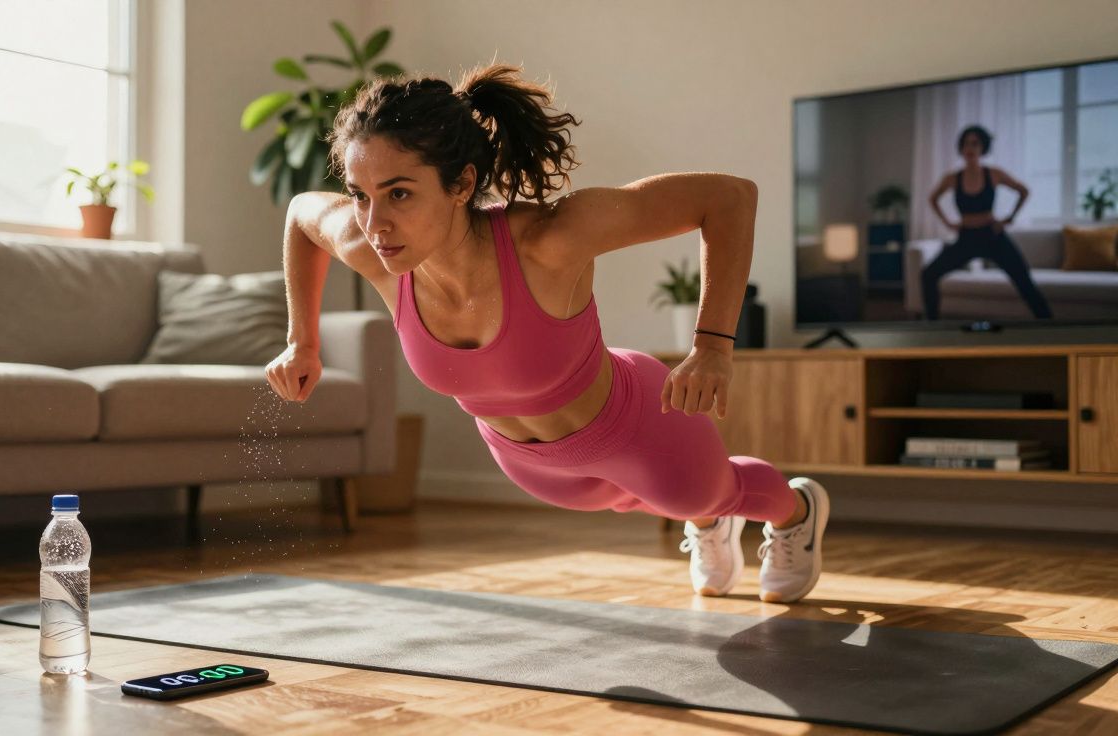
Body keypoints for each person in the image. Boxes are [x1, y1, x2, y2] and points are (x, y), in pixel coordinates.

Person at [268, 63, 829, 603]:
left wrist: (711, 347)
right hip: (533, 466)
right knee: (645, 500)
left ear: (462, 183)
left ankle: (795, 514)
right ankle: (707, 524)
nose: (374, 221)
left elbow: (729, 198)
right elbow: (300, 214)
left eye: (400, 193)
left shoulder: (548, 240)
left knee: (703, 493)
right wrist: (303, 342)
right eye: (361, 195)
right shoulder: (371, 249)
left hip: (635, 427)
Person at [921, 124, 1052, 320]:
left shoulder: (993, 174)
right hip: (966, 238)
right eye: (966, 144)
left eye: (975, 144)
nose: (970, 148)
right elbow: (932, 199)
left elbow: (1023, 191)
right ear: (961, 148)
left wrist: (1009, 218)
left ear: (983, 148)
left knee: (1024, 281)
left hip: (992, 236)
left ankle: (1049, 328)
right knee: (927, 275)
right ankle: (932, 327)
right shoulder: (952, 178)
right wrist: (948, 222)